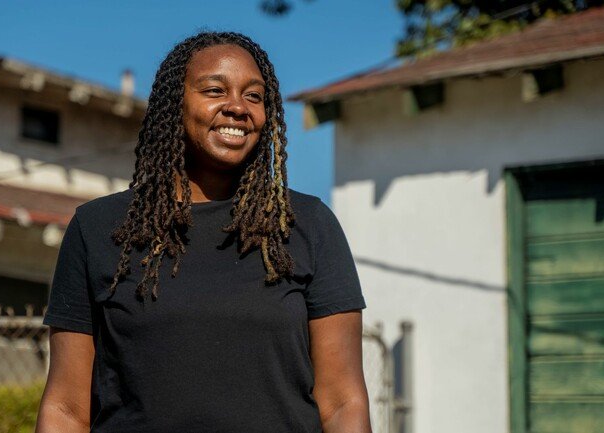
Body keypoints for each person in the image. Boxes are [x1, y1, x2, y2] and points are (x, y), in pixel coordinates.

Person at [35, 31, 371, 433]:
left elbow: (342, 403)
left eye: (253, 96)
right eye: (215, 90)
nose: (237, 107)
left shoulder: (306, 224)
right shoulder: (98, 229)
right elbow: (66, 409)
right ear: (173, 106)